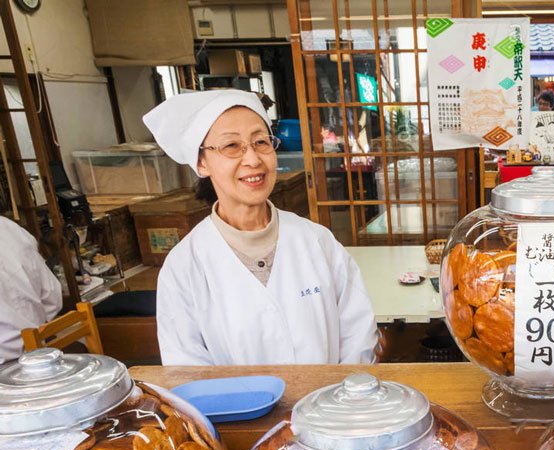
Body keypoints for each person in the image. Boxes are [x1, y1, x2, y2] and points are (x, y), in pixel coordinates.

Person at [143, 90, 378, 365]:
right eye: (231, 146)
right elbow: (186, 366)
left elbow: (358, 333)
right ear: (201, 162)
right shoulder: (184, 266)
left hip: (329, 405)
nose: (253, 159)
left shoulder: (316, 241)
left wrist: (338, 401)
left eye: (261, 142)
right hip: (232, 409)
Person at [0, 216, 62, 364]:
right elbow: (53, 298)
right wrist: (33, 330)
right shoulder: (9, 228)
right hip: (41, 352)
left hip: (6, 369)